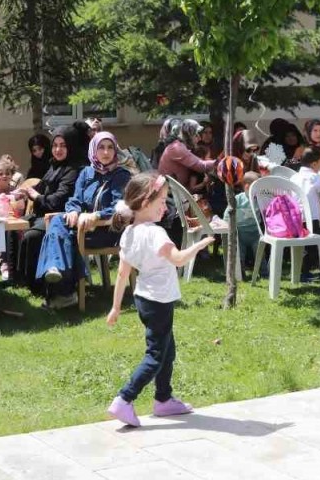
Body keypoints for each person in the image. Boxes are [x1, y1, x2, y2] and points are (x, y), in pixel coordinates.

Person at [105, 172, 216, 428]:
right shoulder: (156, 234)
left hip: (144, 299)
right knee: (156, 354)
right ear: (145, 201)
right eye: (162, 200)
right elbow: (178, 259)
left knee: (167, 349)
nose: (165, 206)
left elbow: (122, 274)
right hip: (159, 301)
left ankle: (163, 399)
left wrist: (116, 307)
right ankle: (124, 398)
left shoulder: (129, 234)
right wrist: (199, 245)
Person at [35, 131, 132, 309]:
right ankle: (59, 280)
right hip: (83, 227)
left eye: (110, 147)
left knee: (63, 235)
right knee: (58, 221)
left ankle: (63, 289)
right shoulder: (86, 172)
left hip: (107, 231)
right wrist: (73, 211)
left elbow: (121, 207)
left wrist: (96, 216)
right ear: (93, 150)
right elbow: (75, 199)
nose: (105, 152)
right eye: (101, 147)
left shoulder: (121, 175)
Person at [16, 126, 82, 293]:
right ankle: (16, 277)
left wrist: (36, 196)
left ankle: (37, 284)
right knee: (14, 225)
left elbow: (58, 200)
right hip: (42, 214)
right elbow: (40, 186)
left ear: (71, 146)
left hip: (58, 218)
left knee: (32, 235)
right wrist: (23, 193)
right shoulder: (54, 166)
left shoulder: (73, 170)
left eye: (63, 145)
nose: (58, 150)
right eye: (55, 145)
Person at [290, 148, 320, 279]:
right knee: (316, 243)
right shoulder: (316, 177)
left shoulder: (294, 177)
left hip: (294, 218)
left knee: (303, 244)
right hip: (311, 218)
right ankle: (305, 272)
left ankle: (300, 269)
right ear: (314, 164)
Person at [157, 119, 216, 195]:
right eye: (196, 135)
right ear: (188, 135)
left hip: (174, 192)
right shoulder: (176, 148)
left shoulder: (180, 146)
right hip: (169, 195)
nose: (199, 138)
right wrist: (221, 162)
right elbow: (201, 165)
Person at [226, 171, 262, 278]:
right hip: (240, 233)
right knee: (240, 255)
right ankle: (240, 272)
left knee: (260, 254)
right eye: (257, 186)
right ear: (247, 186)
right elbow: (228, 212)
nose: (259, 189)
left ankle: (264, 273)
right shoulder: (238, 199)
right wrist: (225, 223)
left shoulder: (259, 199)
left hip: (256, 233)